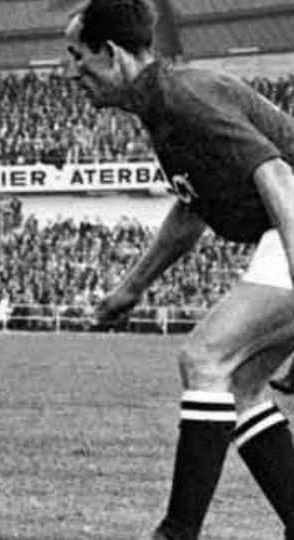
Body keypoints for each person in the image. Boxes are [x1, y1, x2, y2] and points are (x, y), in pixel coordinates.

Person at [65, 2, 294, 538]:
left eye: (77, 56)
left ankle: (176, 533)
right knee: (240, 386)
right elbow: (192, 209)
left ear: (112, 53)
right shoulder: (163, 105)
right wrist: (130, 289)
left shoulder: (183, 97)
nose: (71, 71)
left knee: (204, 357)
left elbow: (278, 175)